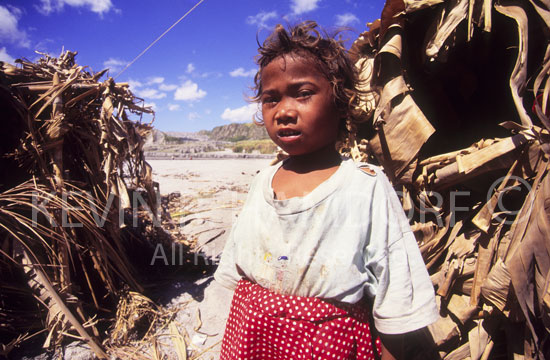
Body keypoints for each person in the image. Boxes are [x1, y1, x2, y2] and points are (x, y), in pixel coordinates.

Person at [214, 21, 438, 360]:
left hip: (328, 347)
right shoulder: (263, 181)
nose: (284, 112)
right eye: (270, 99)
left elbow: (395, 292)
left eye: (303, 93)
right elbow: (238, 266)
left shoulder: (365, 185)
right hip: (253, 338)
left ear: (340, 99)